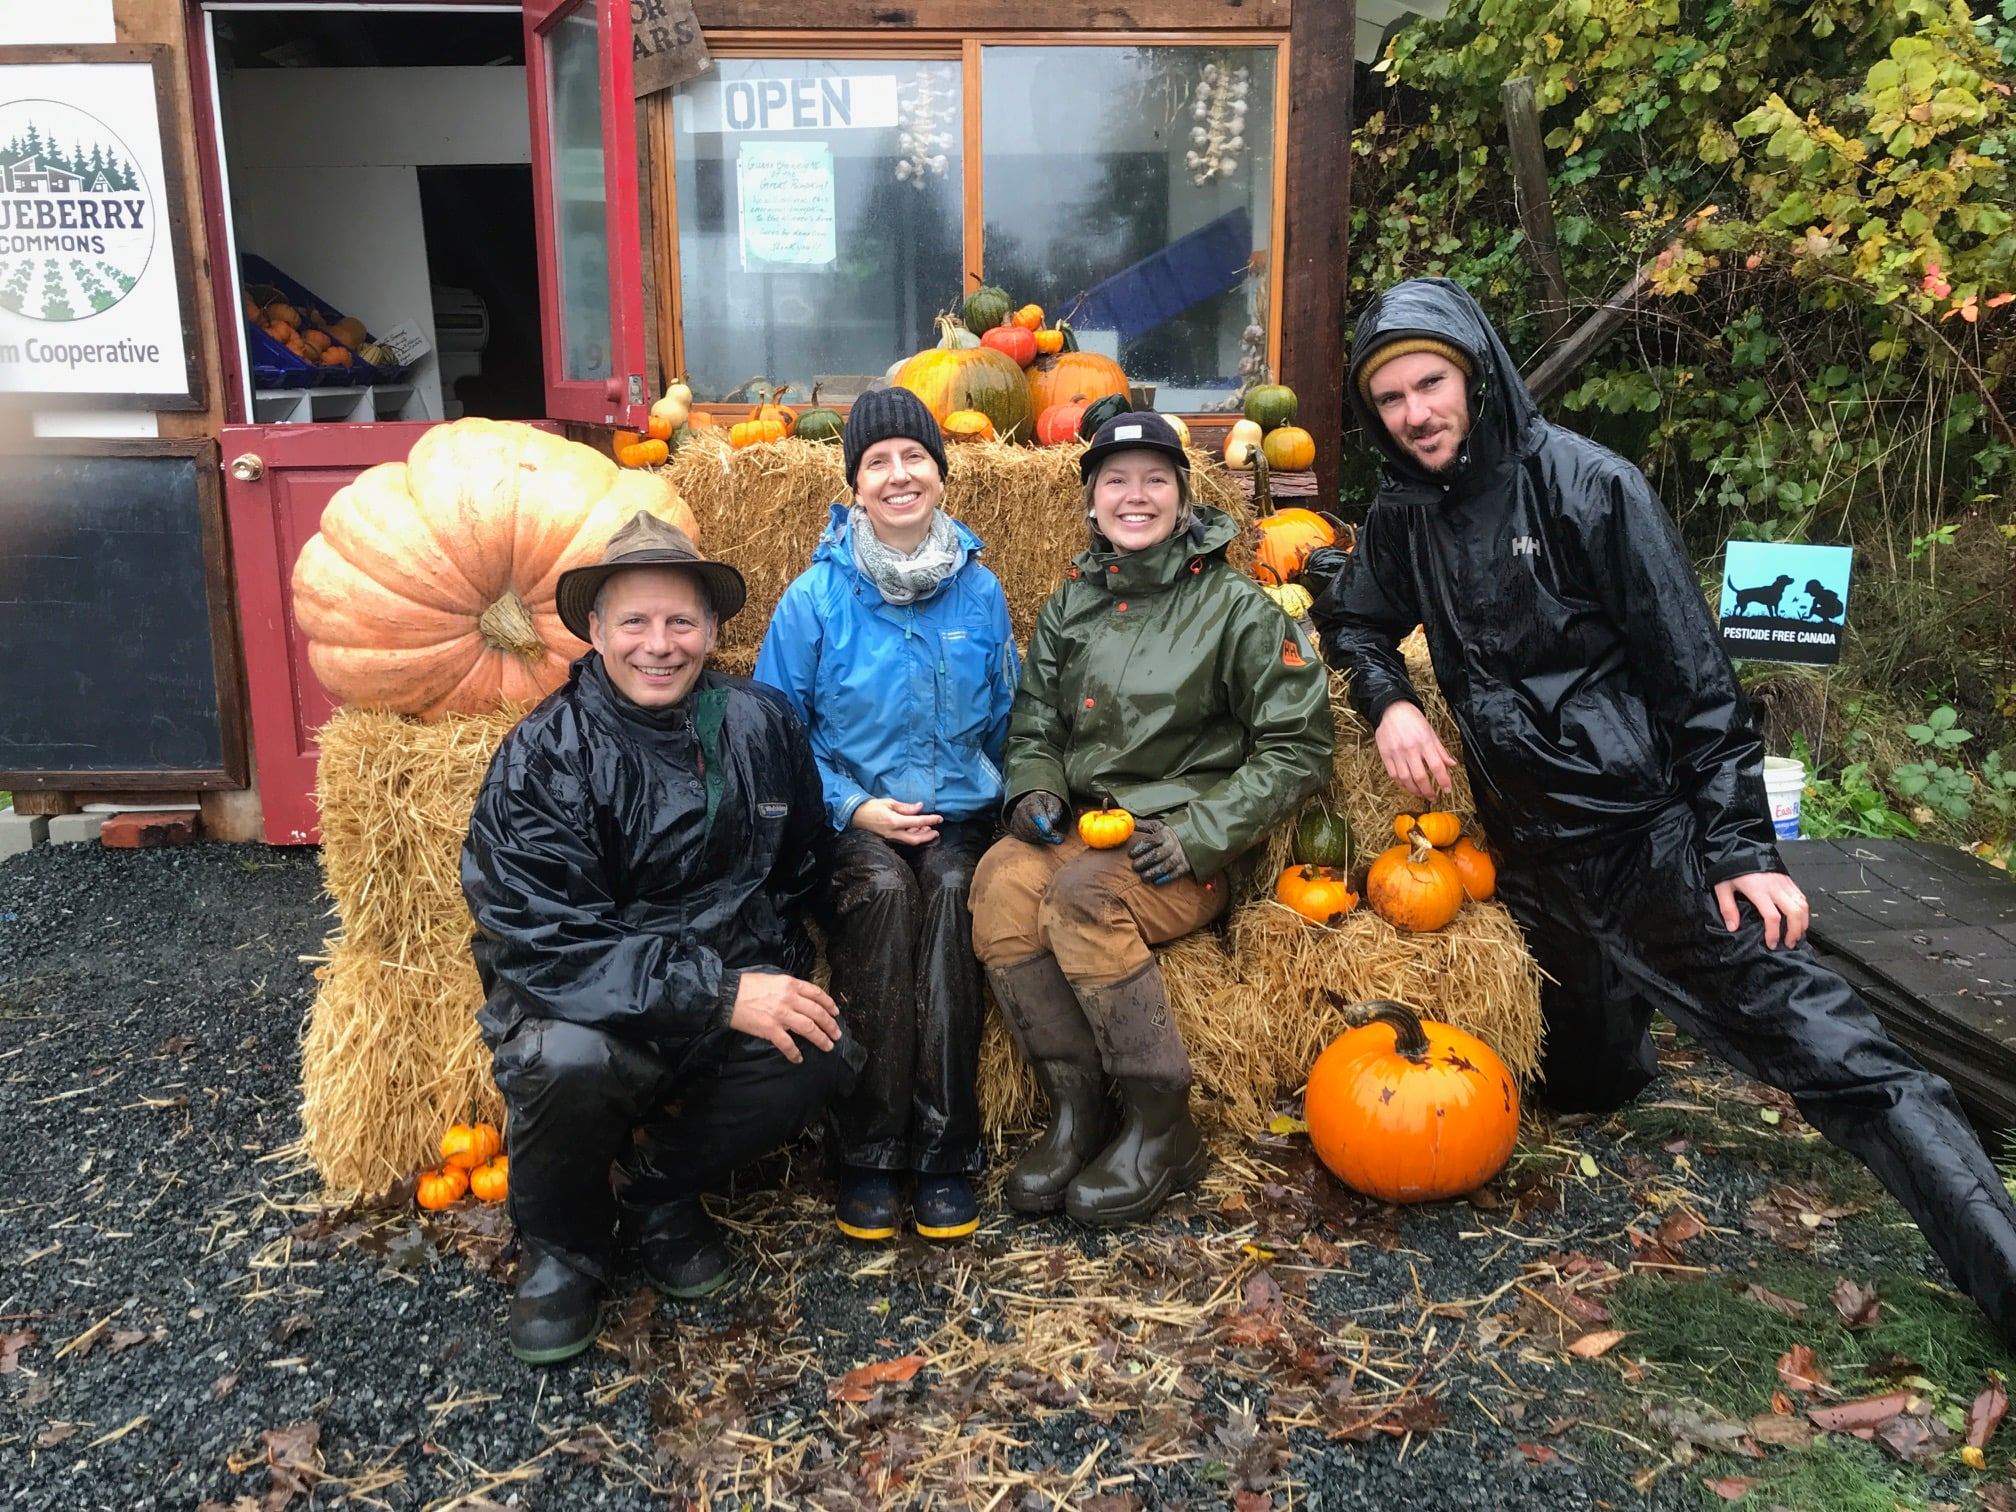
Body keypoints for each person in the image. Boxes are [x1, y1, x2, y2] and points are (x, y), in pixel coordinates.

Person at [1312, 275, 2016, 1343]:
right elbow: (1357, 624)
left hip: (1652, 843)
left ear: (1476, 375)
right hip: (1533, 861)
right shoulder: (1407, 515)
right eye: (1393, 400)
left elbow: (1696, 678)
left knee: (1834, 1054)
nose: (1415, 414)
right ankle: (1626, 1027)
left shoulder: (1592, 488)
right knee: (1587, 1086)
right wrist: (1392, 705)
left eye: (1431, 384)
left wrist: (1742, 848)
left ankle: (1999, 1266)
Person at [461, 511, 860, 1366]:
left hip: (715, 993)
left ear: (713, 631)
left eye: (681, 621)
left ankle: (656, 1193)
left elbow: (797, 870)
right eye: (634, 622)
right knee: (568, 1061)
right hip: (590, 1006)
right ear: (595, 630)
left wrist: (764, 979)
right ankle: (563, 1250)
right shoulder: (546, 756)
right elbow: (545, 940)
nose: (660, 644)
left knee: (816, 1042)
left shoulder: (763, 724)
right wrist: (715, 992)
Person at [970, 411, 1334, 1225]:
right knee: (996, 883)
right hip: (1081, 830)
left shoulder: (1239, 608)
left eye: (1154, 480)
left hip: (1179, 846)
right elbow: (1034, 725)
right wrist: (1036, 790)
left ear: (1182, 494)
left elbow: (1301, 746)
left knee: (1082, 901)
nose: (1135, 496)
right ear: (1091, 501)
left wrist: (1205, 833)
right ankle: (1079, 1112)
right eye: (1115, 481)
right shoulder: (1073, 603)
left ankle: (1163, 1127)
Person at [754, 389, 1019, 1244]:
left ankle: (945, 1154)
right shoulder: (814, 600)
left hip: (957, 818)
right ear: (856, 484)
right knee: (881, 897)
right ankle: (869, 1151)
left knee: (948, 895)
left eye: (915, 458)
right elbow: (776, 735)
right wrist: (853, 807)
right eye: (879, 462)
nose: (899, 475)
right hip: (846, 824)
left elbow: (1012, 721)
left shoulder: (981, 595)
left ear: (940, 475)